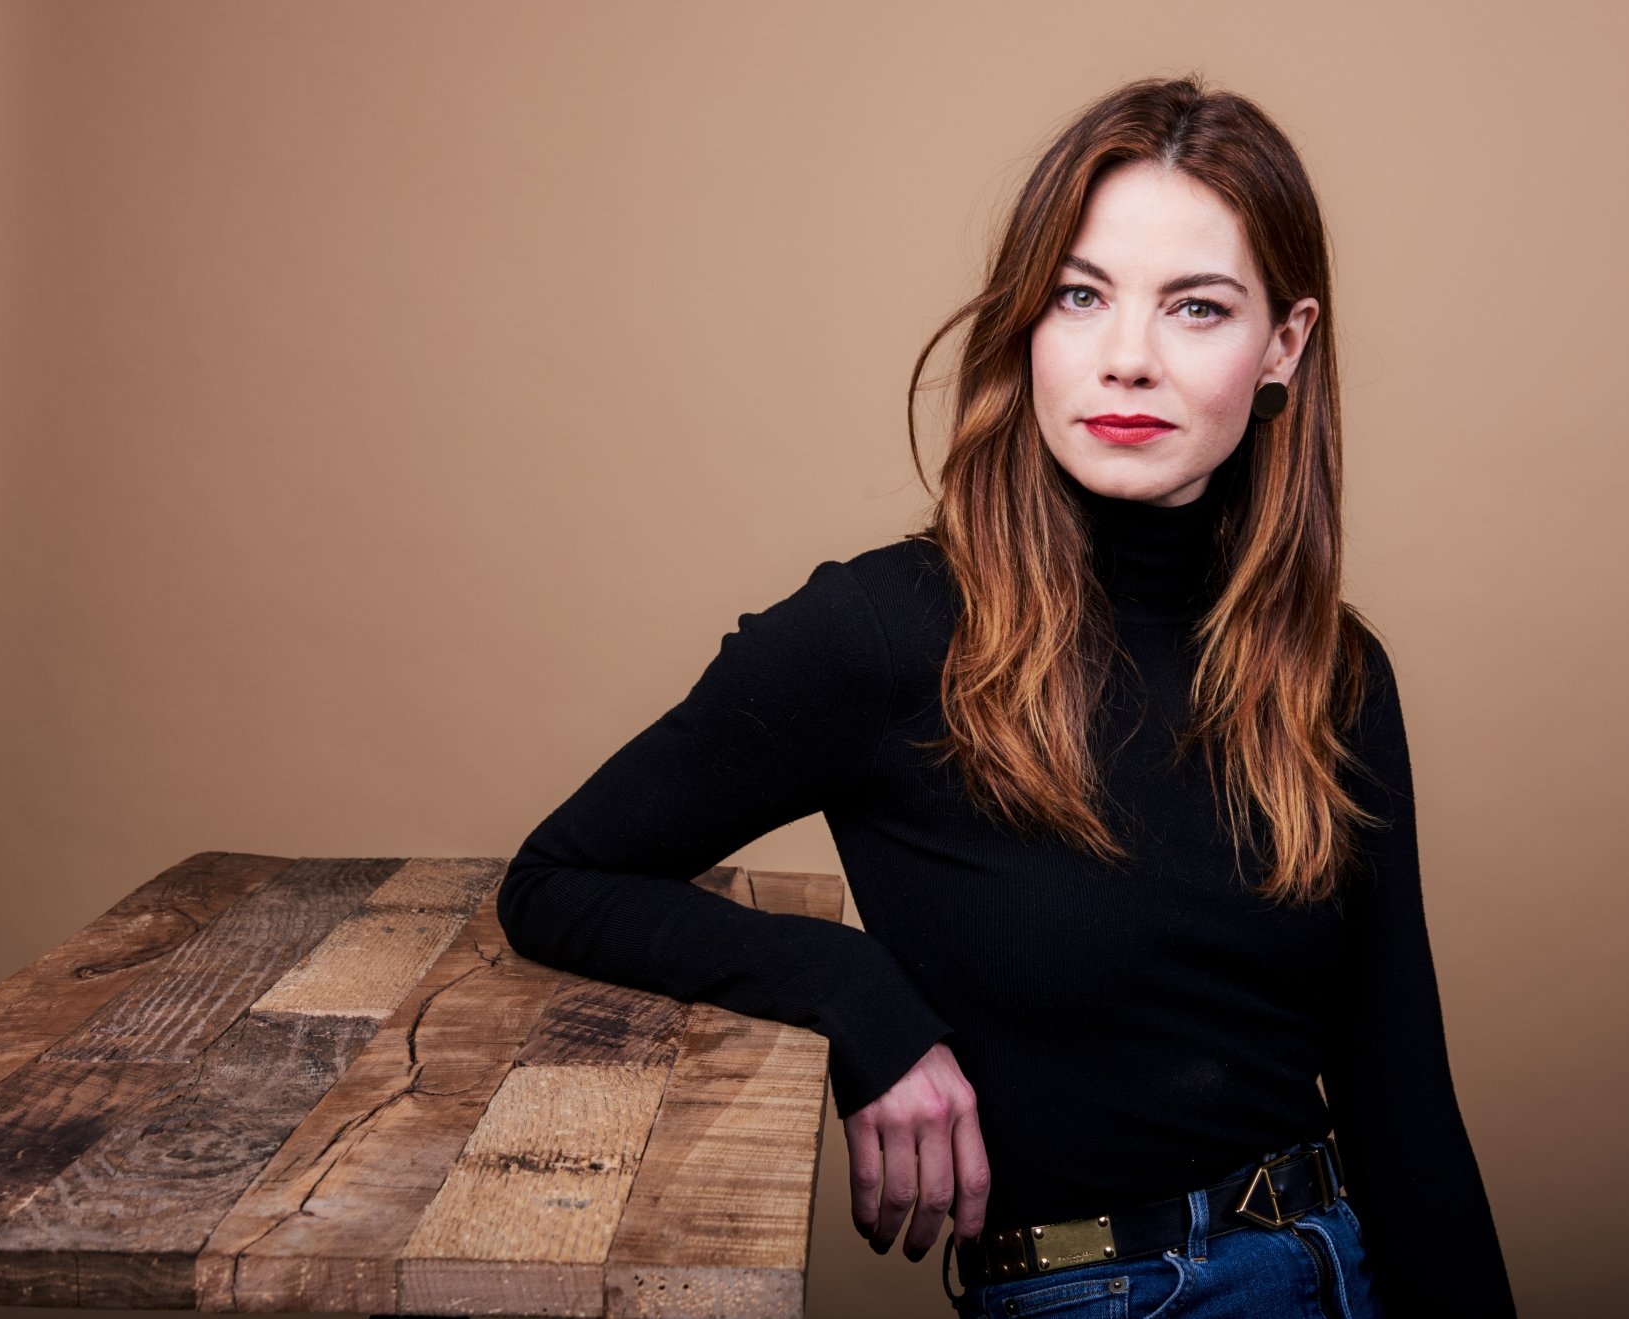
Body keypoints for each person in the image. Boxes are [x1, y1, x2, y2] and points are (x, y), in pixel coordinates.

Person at [497, 73, 1516, 1318]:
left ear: (1283, 346)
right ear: (1028, 319)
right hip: (1096, 1289)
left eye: (1197, 307)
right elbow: (557, 881)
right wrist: (855, 990)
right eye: (1081, 295)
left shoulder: (1335, 673)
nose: (1127, 356)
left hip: (1336, 1265)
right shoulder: (883, 634)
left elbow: (1398, 1095)